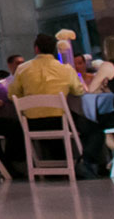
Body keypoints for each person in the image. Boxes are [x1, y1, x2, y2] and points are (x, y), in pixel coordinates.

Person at [10, 33, 108, 175]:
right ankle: (90, 163)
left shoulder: (22, 69)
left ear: (36, 49)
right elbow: (79, 91)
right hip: (60, 121)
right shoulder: (66, 69)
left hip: (31, 124)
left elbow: (12, 95)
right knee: (95, 128)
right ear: (54, 50)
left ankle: (40, 166)